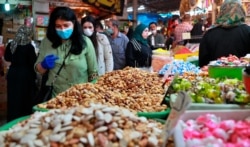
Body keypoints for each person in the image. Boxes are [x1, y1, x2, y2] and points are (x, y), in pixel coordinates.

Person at [35, 7, 98, 98]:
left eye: (66, 25)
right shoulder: (47, 42)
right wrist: (43, 65)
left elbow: (93, 72)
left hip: (81, 97)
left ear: (74, 24)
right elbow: (39, 70)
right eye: (58, 26)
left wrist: (93, 93)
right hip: (56, 98)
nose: (63, 29)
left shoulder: (85, 42)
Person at [199, 0, 250, 67]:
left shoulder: (209, 34)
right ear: (241, 11)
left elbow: (203, 63)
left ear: (222, 11)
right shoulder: (247, 31)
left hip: (213, 76)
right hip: (243, 76)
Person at [4, 25, 37, 122]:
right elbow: (33, 62)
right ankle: (23, 120)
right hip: (26, 75)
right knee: (25, 98)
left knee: (13, 98)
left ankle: (12, 120)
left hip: (13, 74)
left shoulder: (11, 44)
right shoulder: (29, 46)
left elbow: (7, 58)